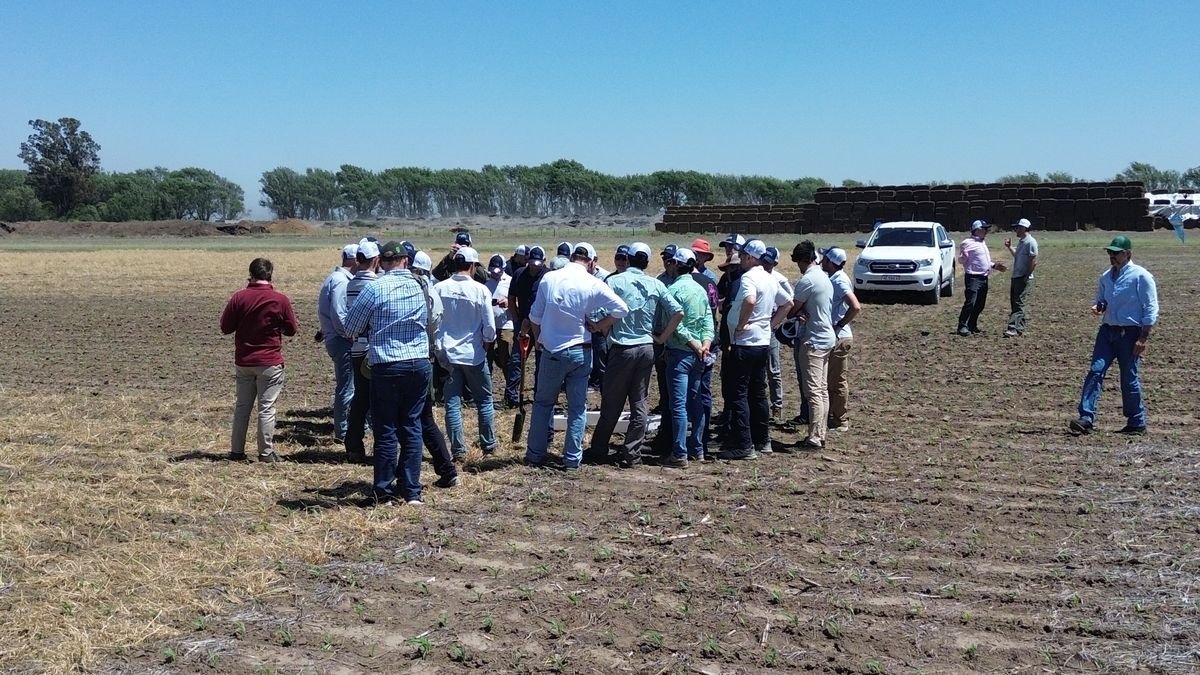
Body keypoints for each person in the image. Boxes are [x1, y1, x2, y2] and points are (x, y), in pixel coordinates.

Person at [342, 241, 437, 505]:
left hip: (387, 363)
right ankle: (411, 490)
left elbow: (350, 328)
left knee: (386, 430)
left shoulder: (374, 288)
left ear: (381, 262)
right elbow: (433, 320)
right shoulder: (422, 285)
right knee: (412, 426)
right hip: (418, 362)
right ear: (405, 261)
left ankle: (383, 490)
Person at [525, 243, 628, 471]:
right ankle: (572, 458)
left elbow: (535, 316)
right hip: (581, 351)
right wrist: (599, 325)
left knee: (543, 404)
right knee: (577, 407)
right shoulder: (592, 282)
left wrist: (539, 340)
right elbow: (622, 309)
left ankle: (535, 454)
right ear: (591, 261)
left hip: (552, 350)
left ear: (572, 257)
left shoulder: (550, 278)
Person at [586, 242, 683, 468]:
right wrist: (662, 338)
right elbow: (678, 311)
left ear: (628, 259)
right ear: (647, 262)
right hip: (646, 348)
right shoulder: (655, 284)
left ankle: (599, 449)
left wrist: (602, 328)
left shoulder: (614, 281)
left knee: (612, 401)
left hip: (622, 348)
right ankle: (632, 453)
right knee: (640, 402)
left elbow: (598, 312)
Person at [1069, 236, 1159, 435]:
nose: (1112, 256)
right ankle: (1086, 418)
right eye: (1110, 252)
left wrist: (1143, 338)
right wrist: (1099, 307)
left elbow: (1151, 308)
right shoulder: (1106, 277)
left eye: (1116, 253)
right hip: (1107, 331)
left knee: (1128, 377)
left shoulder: (1141, 276)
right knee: (1095, 371)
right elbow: (1102, 300)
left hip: (1130, 333)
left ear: (1128, 254)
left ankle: (1137, 422)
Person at [220, 258, 299, 463]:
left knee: (242, 407)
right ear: (270, 274)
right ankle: (265, 452)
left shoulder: (239, 297)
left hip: (244, 361)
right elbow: (292, 329)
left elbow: (225, 327)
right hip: (269, 361)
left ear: (251, 274)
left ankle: (236, 451)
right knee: (266, 408)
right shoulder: (280, 299)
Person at [720, 240, 793, 459]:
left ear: (750, 258)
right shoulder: (770, 278)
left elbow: (750, 300)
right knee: (758, 392)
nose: (741, 260)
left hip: (745, 343)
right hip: (762, 343)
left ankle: (744, 445)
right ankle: (763, 440)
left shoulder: (749, 277)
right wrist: (770, 325)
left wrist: (741, 324)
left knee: (739, 394)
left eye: (743, 256)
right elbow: (787, 303)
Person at [433, 247, 499, 459]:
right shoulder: (481, 290)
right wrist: (486, 344)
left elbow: (433, 321)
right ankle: (488, 444)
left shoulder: (439, 288)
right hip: (474, 354)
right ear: (473, 266)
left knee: (452, 404)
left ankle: (458, 449)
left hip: (447, 355)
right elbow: (490, 327)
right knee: (484, 401)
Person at [409, 246, 459, 485]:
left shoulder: (414, 291)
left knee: (411, 420)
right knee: (425, 418)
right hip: (426, 360)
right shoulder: (432, 292)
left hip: (411, 359)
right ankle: (446, 470)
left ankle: (409, 476)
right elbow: (436, 329)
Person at [661, 248, 714, 467]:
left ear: (675, 264)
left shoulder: (673, 290)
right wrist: (705, 345)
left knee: (678, 405)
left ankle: (679, 452)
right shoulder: (699, 289)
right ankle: (697, 449)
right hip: (700, 354)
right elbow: (709, 319)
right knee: (696, 402)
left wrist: (693, 344)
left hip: (680, 352)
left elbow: (675, 325)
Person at [790, 240, 836, 449]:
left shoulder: (807, 280)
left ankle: (815, 438)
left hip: (814, 340)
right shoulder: (824, 277)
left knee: (813, 392)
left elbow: (792, 308)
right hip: (826, 338)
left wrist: (797, 312)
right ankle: (820, 433)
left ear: (802, 260)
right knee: (822, 390)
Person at [340, 239, 380, 462]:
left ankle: (353, 445)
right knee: (380, 400)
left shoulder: (351, 284)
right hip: (374, 350)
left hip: (357, 349)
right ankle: (382, 445)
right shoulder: (377, 285)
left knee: (360, 399)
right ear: (375, 260)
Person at [317, 244, 357, 442]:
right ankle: (342, 432)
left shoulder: (335, 278)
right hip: (341, 340)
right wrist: (351, 336)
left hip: (335, 338)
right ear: (354, 260)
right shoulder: (341, 281)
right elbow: (339, 315)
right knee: (347, 387)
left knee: (348, 385)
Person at [820, 247, 861, 432]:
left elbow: (855, 306)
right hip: (836, 336)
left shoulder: (839, 281)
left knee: (837, 381)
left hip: (840, 337)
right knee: (830, 380)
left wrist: (840, 324)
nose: (822, 261)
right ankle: (832, 416)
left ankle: (840, 420)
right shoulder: (834, 278)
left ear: (831, 262)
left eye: (825, 259)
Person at [956, 220, 1008, 336]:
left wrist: (994, 265)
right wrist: (963, 257)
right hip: (973, 278)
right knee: (970, 302)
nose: (986, 231)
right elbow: (961, 261)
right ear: (977, 230)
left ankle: (972, 325)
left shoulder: (982, 243)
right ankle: (962, 326)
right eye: (984, 229)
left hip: (984, 277)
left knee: (980, 304)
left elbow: (982, 260)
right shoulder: (967, 243)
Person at [762, 246, 793, 422]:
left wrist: (776, 322)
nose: (765, 265)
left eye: (768, 262)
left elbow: (790, 301)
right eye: (763, 261)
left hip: (771, 328)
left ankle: (777, 405)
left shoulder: (779, 280)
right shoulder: (757, 276)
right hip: (760, 327)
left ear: (775, 263)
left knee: (773, 369)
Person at [485, 254, 519, 408]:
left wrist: (508, 302)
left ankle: (510, 391)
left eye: (497, 271)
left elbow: (517, 301)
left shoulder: (511, 282)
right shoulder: (486, 284)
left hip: (506, 324)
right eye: (492, 271)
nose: (495, 274)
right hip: (490, 325)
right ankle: (486, 391)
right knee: (487, 358)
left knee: (507, 357)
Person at [1004, 218, 1039, 337]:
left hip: (1022, 277)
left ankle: (1013, 327)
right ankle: (1020, 327)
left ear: (1024, 228)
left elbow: (1033, 260)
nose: (1016, 230)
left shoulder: (1030, 242)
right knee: (1016, 303)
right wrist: (1009, 247)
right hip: (1016, 276)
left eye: (1018, 228)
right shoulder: (1022, 242)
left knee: (1019, 303)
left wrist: (1027, 275)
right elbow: (1018, 256)